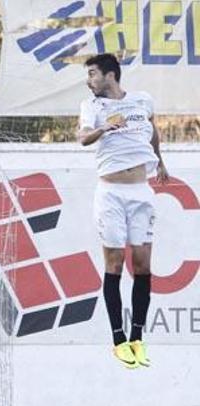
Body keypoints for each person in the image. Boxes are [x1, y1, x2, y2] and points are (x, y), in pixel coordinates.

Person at [78, 53, 168, 369]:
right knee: (115, 263)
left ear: (110, 75)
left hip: (141, 191)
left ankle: (137, 338)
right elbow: (82, 139)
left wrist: (161, 162)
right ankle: (118, 342)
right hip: (111, 193)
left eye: (92, 73)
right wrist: (105, 128)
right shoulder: (92, 107)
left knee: (142, 264)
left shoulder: (142, 101)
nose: (89, 80)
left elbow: (153, 130)